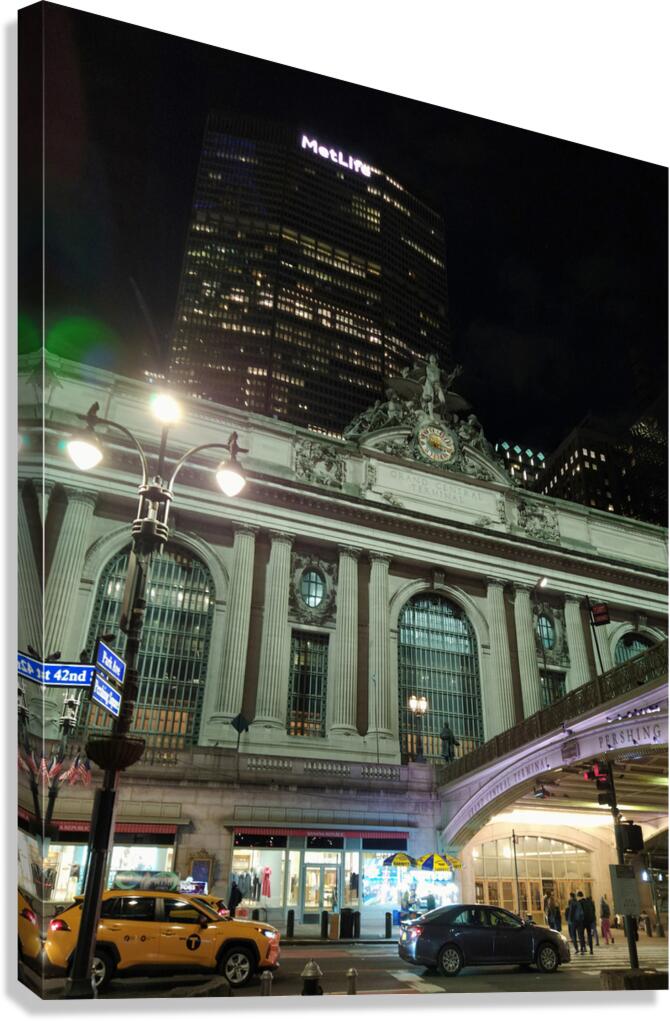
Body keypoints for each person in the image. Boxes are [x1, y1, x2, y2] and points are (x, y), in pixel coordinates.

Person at [577, 890, 595, 954]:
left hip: (581, 921)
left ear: (578, 896)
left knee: (581, 935)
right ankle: (591, 949)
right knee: (589, 935)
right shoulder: (588, 902)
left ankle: (583, 949)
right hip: (589, 921)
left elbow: (578, 913)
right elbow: (593, 911)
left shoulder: (579, 902)